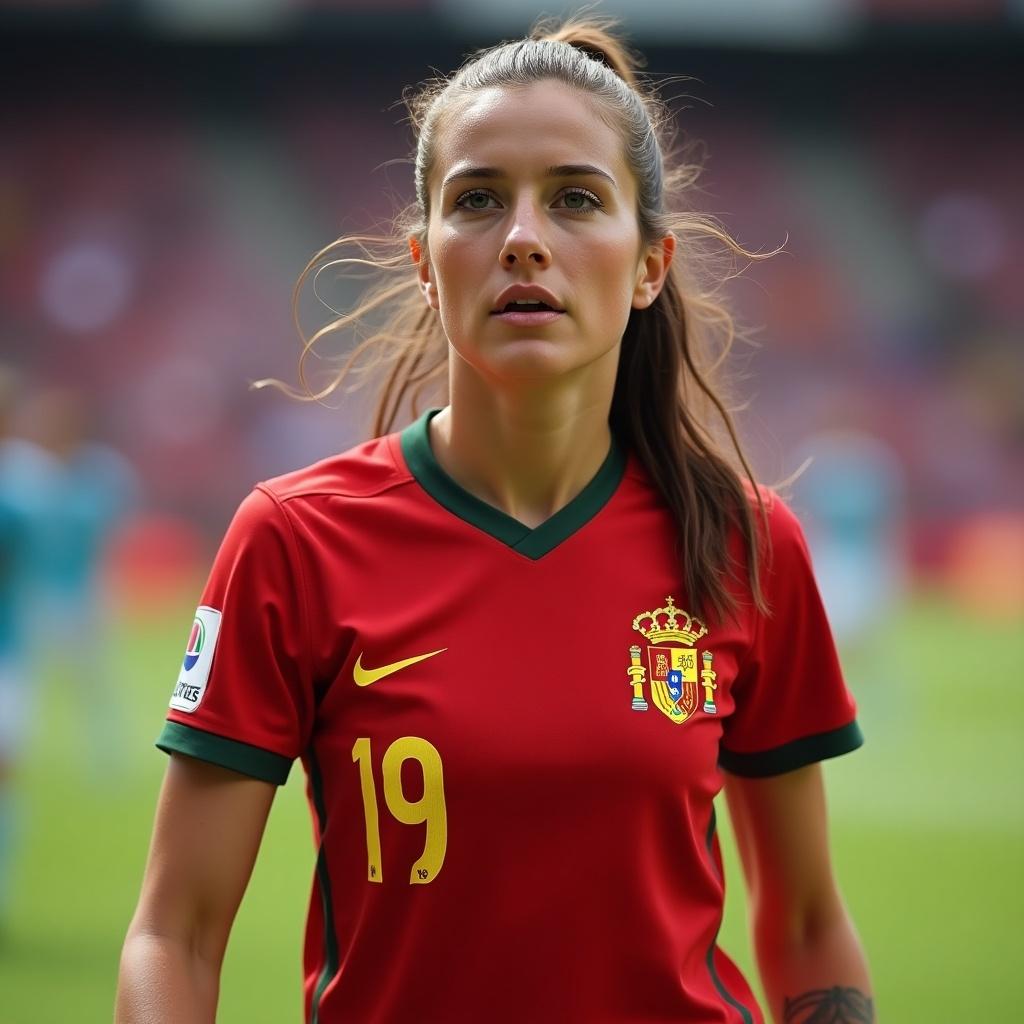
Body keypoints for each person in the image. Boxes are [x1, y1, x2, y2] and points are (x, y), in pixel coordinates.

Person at [116, 16, 875, 1024]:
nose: (523, 237)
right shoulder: (294, 542)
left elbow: (808, 923)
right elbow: (176, 934)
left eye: (573, 198)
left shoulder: (743, 542)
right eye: (477, 200)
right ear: (425, 259)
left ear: (650, 264)